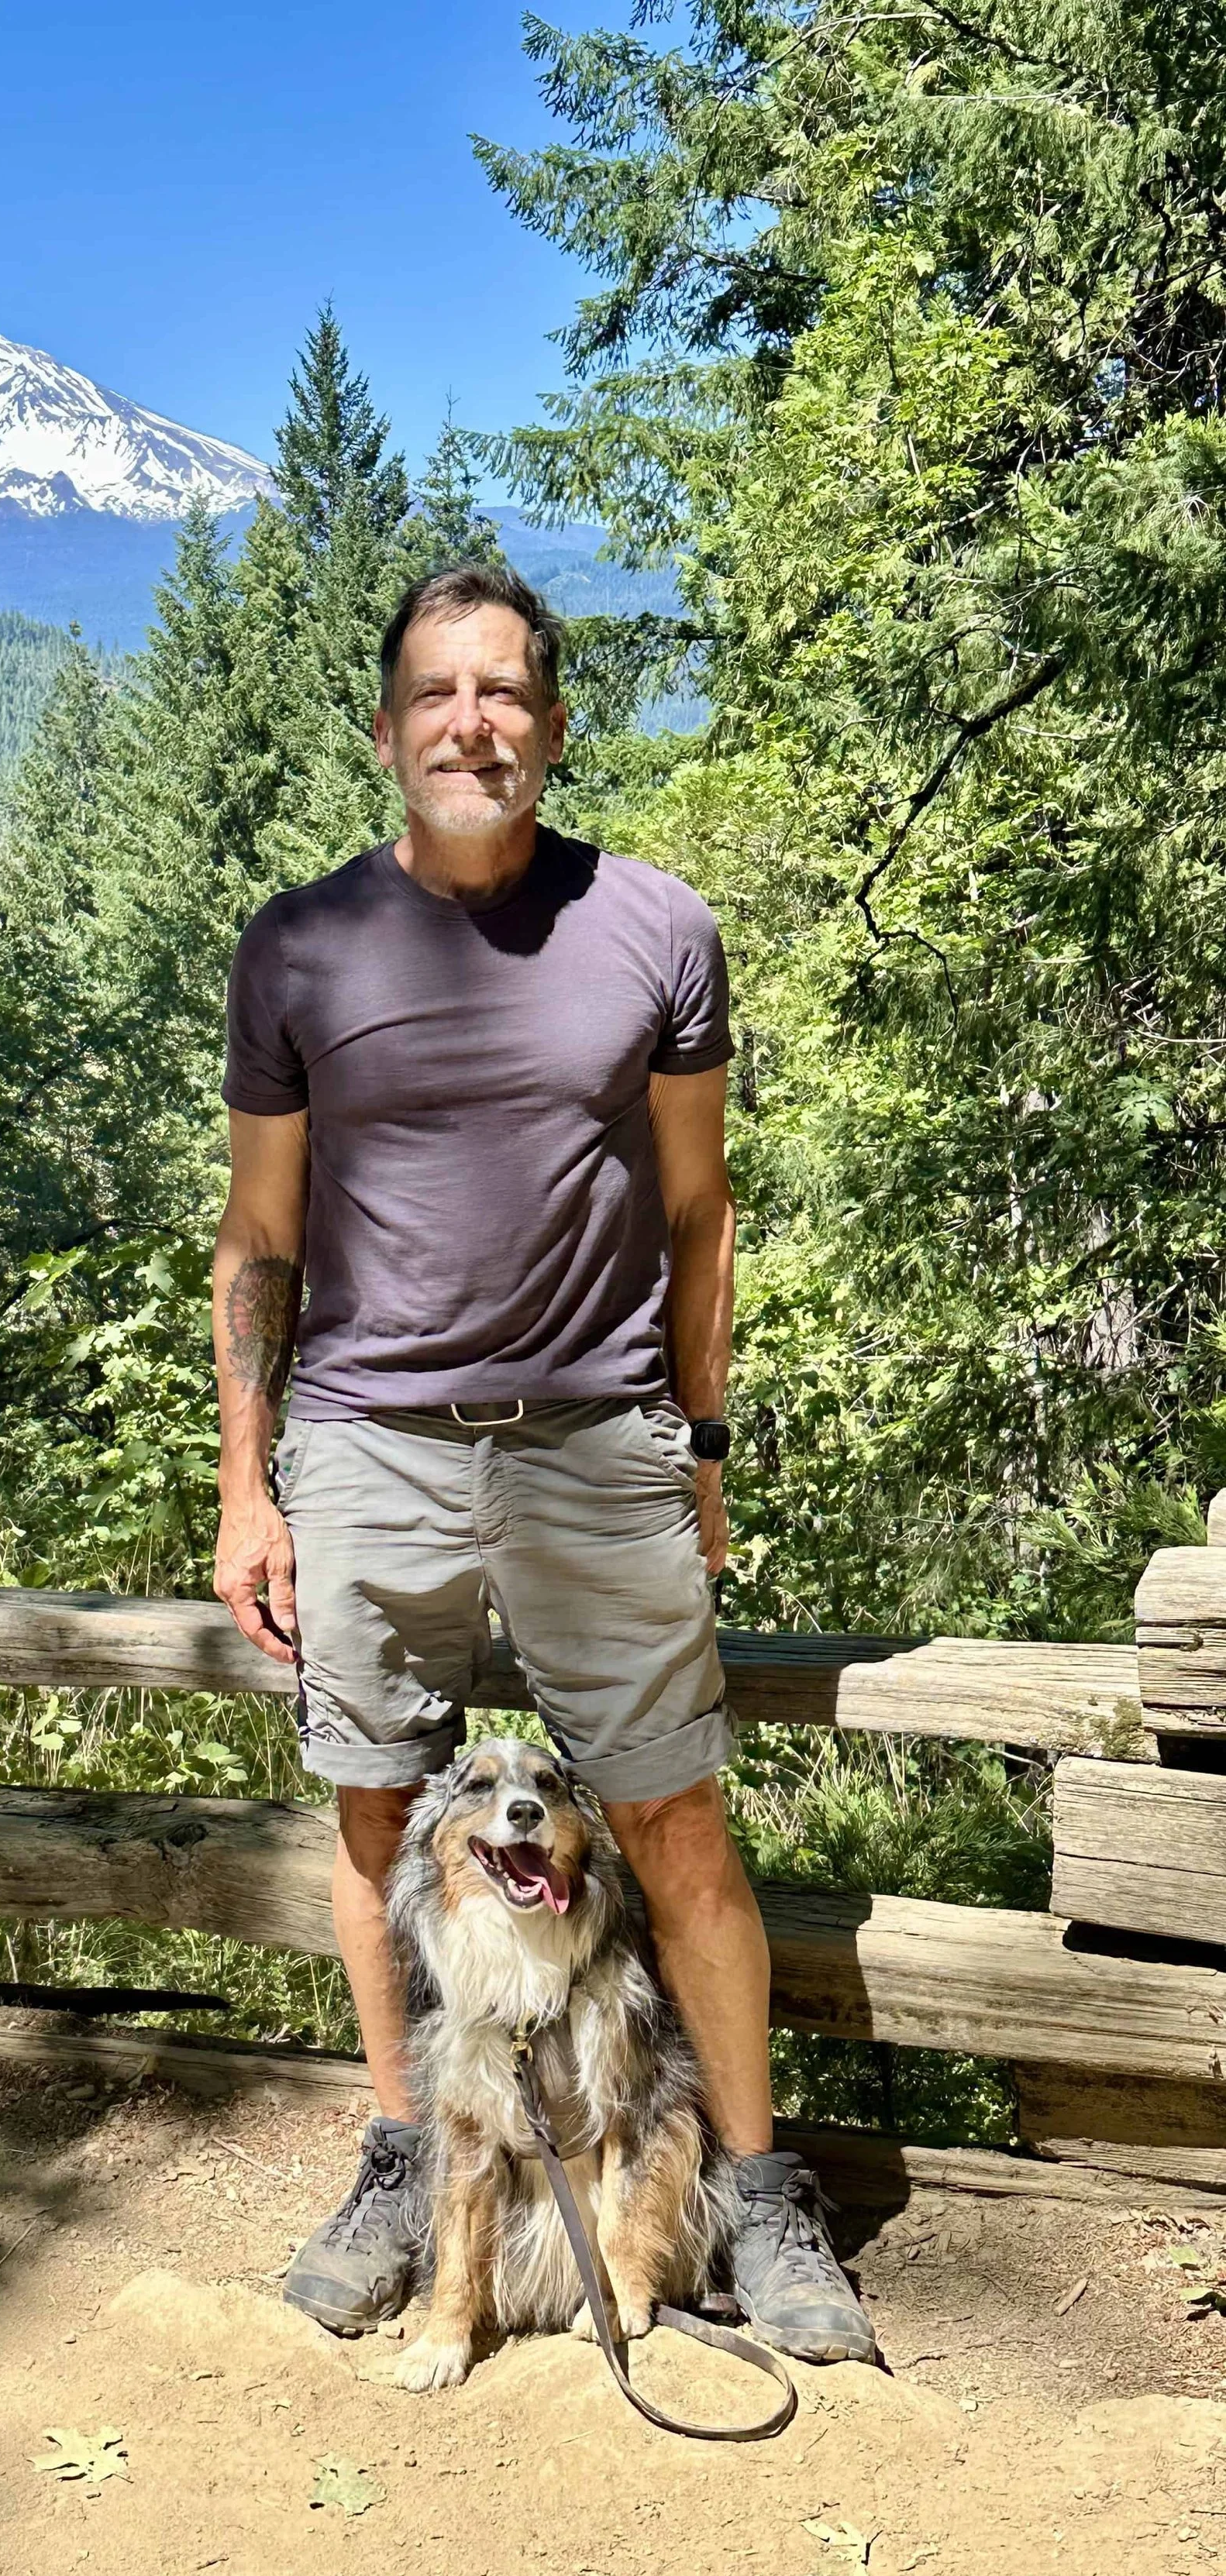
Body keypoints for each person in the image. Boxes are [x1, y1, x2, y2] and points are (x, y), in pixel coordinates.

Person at [209, 562, 874, 2365]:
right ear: (385, 730)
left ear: (554, 726)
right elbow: (258, 1236)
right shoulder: (297, 949)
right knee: (371, 1814)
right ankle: (403, 2150)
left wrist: (703, 1442)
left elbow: (693, 1210)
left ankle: (749, 2190)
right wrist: (245, 1486)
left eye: (504, 693)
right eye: (436, 693)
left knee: (667, 1817)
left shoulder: (653, 928)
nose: (470, 723)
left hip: (593, 1441)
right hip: (364, 1446)